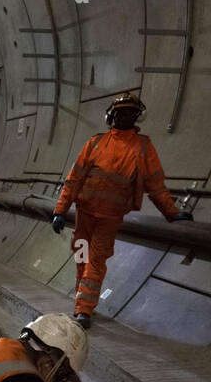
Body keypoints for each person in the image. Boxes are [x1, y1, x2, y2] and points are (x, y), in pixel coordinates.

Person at [52, 92, 193, 328]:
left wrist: (171, 212)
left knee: (95, 260)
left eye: (128, 113)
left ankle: (84, 310)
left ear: (136, 117)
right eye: (120, 112)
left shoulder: (143, 147)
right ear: (112, 115)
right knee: (82, 256)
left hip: (109, 217)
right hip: (85, 212)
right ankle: (81, 303)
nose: (123, 117)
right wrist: (60, 209)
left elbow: (155, 184)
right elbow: (74, 179)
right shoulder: (95, 143)